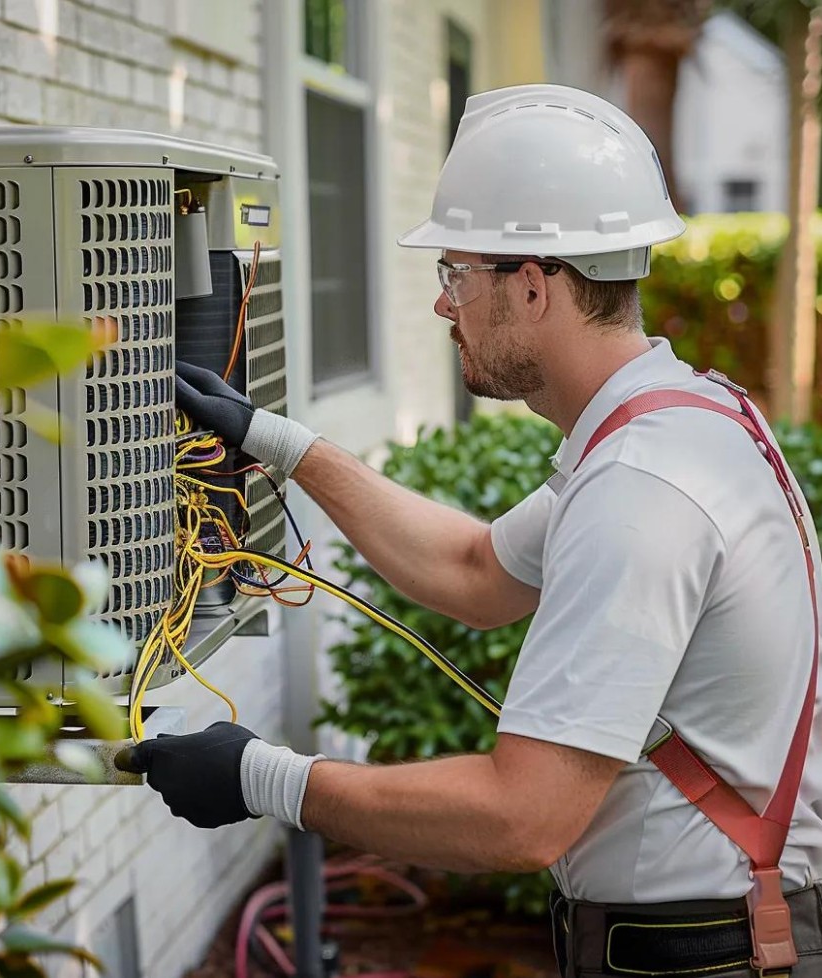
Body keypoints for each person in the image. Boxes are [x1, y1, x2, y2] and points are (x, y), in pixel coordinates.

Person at [125, 85, 822, 976]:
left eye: (454, 275)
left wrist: (261, 779)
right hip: (696, 937)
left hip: (698, 954)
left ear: (533, 287)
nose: (442, 307)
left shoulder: (640, 489)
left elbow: (520, 817)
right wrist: (276, 440)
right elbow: (473, 569)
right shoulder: (676, 420)